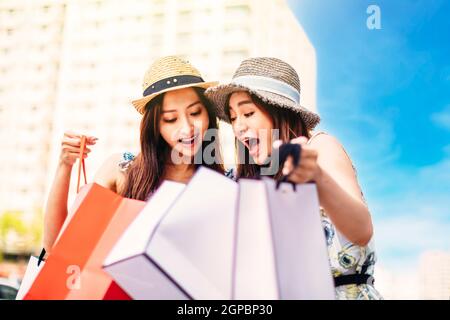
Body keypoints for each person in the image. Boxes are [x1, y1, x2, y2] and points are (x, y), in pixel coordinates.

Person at [205, 57, 382, 299]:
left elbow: (361, 230)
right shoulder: (253, 180)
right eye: (233, 117)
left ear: (279, 111)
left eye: (248, 112)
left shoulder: (320, 147)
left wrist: (318, 178)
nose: (238, 127)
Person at [43, 56, 224, 253]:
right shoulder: (121, 170)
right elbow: (57, 248)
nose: (187, 128)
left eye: (195, 113)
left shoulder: (224, 185)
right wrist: (65, 165)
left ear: (208, 113)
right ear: (155, 126)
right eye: (171, 119)